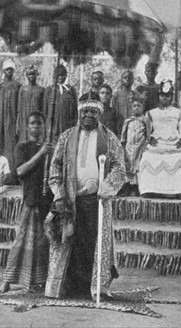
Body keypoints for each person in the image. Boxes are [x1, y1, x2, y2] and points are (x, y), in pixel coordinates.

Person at [45, 92, 126, 300]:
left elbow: (119, 167)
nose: (88, 115)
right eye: (85, 111)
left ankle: (96, 287)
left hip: (97, 200)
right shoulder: (67, 136)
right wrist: (59, 194)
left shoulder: (109, 137)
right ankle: (71, 287)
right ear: (79, 113)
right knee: (72, 242)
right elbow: (55, 166)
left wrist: (106, 186)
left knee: (93, 243)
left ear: (99, 113)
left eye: (93, 111)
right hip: (71, 200)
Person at [0, 112, 54, 293]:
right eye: (33, 124)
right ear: (27, 127)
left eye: (39, 123)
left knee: (43, 243)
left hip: (48, 201)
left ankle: (39, 281)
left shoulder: (50, 148)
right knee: (22, 241)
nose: (36, 127)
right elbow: (20, 171)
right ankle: (7, 281)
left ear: (44, 126)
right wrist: (41, 153)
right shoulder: (22, 147)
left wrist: (48, 153)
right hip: (31, 200)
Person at [137, 80, 181, 198]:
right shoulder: (151, 113)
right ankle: (150, 189)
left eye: (168, 96)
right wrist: (150, 138)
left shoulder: (179, 112)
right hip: (157, 143)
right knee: (148, 157)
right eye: (162, 95)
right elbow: (147, 130)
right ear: (158, 96)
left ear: (172, 97)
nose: (165, 98)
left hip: (175, 143)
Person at [0, 59, 22, 185]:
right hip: (0, 122)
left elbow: (20, 106)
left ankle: (12, 176)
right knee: (0, 145)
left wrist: (17, 122)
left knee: (12, 146)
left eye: (11, 69)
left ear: (13, 71)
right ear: (3, 70)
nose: (9, 71)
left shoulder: (18, 86)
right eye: (7, 69)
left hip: (12, 121)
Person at [120, 93, 151, 196]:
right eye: (134, 106)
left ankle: (136, 187)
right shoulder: (128, 120)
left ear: (143, 108)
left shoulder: (145, 120)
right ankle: (128, 185)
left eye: (139, 106)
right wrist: (123, 144)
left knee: (137, 165)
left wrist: (145, 145)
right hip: (129, 146)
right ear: (131, 107)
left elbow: (148, 134)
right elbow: (123, 135)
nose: (136, 108)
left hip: (140, 146)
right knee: (128, 164)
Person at [44, 64, 78, 143]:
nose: (60, 77)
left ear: (66, 76)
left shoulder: (71, 90)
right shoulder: (49, 90)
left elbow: (75, 111)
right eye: (58, 75)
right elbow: (44, 111)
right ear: (54, 76)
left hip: (67, 125)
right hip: (52, 127)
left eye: (62, 75)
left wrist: (74, 126)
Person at [17, 65, 45, 143]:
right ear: (27, 75)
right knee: (24, 139)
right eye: (29, 74)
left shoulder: (41, 89)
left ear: (36, 75)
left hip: (36, 117)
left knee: (36, 138)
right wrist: (18, 122)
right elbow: (19, 107)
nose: (31, 76)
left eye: (33, 74)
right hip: (24, 117)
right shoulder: (23, 89)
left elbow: (44, 107)